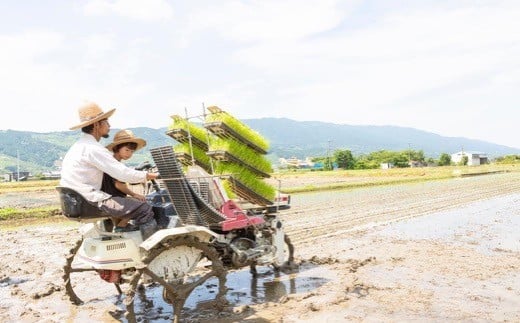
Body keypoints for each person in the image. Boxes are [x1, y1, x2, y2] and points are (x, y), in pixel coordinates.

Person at [60, 101, 159, 233]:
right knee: (144, 208)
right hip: (89, 200)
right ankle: (150, 250)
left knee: (127, 205)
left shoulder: (79, 146)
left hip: (77, 201)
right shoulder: (93, 148)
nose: (109, 125)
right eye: (106, 122)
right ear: (96, 124)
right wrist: (153, 175)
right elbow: (122, 174)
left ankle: (123, 233)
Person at [102, 129, 148, 232]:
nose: (129, 154)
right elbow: (119, 185)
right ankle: (121, 227)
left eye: (132, 151)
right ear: (117, 148)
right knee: (142, 203)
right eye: (127, 150)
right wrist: (134, 194)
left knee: (130, 202)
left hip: (109, 196)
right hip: (113, 198)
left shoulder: (110, 161)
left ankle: (119, 228)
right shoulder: (115, 164)